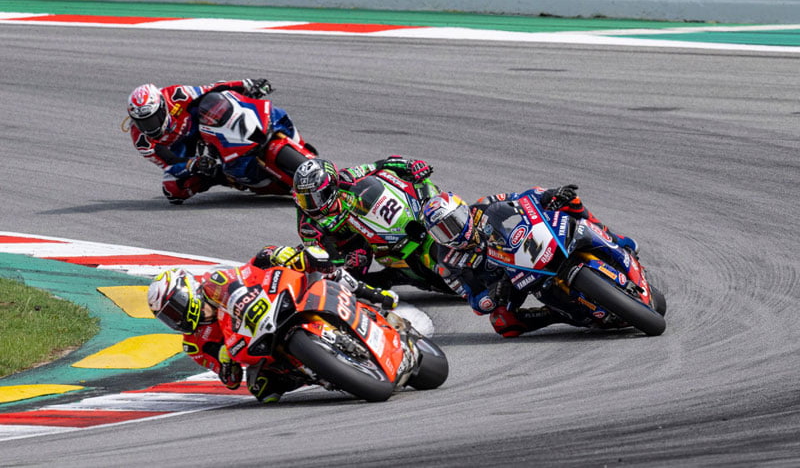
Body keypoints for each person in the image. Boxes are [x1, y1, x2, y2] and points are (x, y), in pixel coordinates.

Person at [147, 245, 399, 403]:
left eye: (174, 309)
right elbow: (231, 381)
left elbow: (251, 267)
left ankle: (371, 294)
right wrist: (225, 362)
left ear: (187, 291)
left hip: (271, 306)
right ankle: (325, 373)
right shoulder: (194, 344)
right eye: (167, 317)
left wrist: (276, 254)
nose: (175, 318)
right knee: (263, 390)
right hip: (255, 345)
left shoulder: (214, 281)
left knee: (313, 262)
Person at [421, 185, 640, 338]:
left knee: (570, 201)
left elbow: (523, 199)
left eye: (453, 223)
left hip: (524, 248)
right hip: (508, 281)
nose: (451, 233)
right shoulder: (447, 263)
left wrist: (550, 195)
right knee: (503, 323)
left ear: (463, 210)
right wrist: (490, 296)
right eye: (442, 232)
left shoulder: (483, 206)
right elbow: (474, 301)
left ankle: (613, 238)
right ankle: (556, 314)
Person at [291, 156, 435, 288]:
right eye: (304, 199)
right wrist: (346, 261)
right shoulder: (308, 226)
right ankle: (394, 277)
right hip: (350, 247)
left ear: (332, 186)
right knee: (347, 284)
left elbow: (380, 165)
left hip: (374, 223)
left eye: (316, 197)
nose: (311, 205)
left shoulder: (346, 177)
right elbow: (325, 260)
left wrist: (410, 165)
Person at [125, 78, 274, 204]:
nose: (149, 127)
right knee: (174, 190)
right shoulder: (142, 140)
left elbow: (211, 89)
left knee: (215, 100)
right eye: (142, 122)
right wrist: (193, 164)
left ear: (162, 107)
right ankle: (225, 177)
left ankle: (260, 124)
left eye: (152, 119)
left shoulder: (177, 95)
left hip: (201, 123)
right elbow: (169, 162)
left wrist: (246, 84)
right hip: (181, 147)